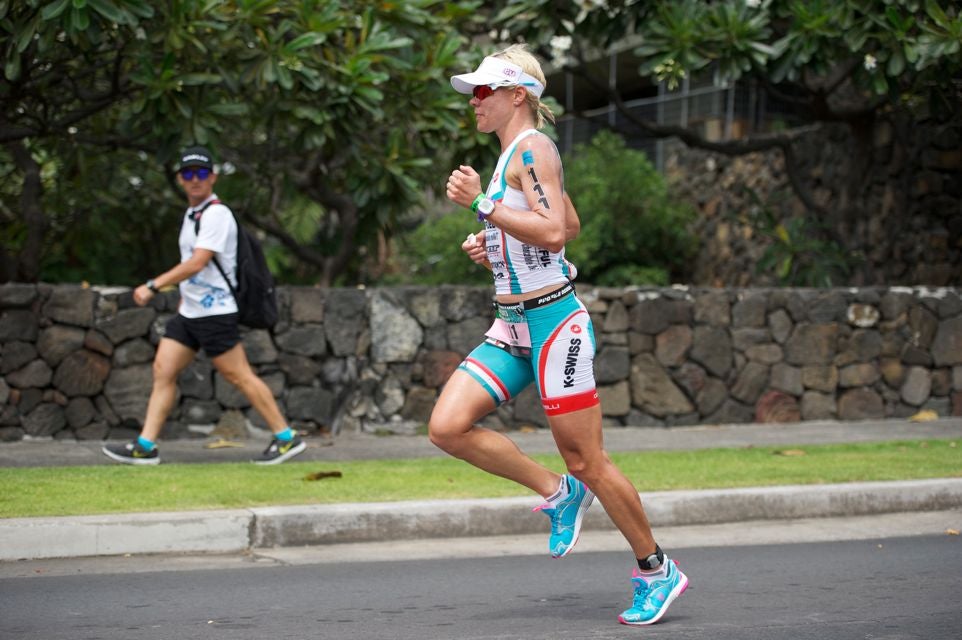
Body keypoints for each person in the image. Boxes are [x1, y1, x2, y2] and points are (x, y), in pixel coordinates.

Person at [429, 45, 688, 626]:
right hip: (511, 324)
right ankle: (558, 493)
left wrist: (484, 205)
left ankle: (657, 570)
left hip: (553, 324)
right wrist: (491, 243)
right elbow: (567, 224)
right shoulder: (511, 158)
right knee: (447, 426)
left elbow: (550, 233)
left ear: (516, 95)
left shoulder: (535, 148)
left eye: (482, 91)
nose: (473, 101)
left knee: (588, 460)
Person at [102, 146, 305, 466]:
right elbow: (193, 265)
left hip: (215, 312)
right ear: (181, 179)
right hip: (190, 312)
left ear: (212, 177)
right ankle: (146, 445)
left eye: (200, 173)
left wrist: (153, 285)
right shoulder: (191, 214)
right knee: (163, 370)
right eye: (188, 174)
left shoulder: (216, 215)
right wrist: (184, 295)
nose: (194, 179)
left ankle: (286, 437)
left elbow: (198, 262)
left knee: (239, 376)